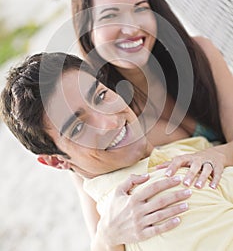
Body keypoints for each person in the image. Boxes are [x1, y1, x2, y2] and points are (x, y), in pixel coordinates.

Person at [1, 52, 233, 251]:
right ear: (56, 162)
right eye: (79, 127)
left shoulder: (146, 153)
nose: (110, 122)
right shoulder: (160, 203)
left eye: (100, 96)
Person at [71, 0, 233, 187]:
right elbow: (99, 218)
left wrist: (217, 155)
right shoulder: (94, 112)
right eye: (110, 16)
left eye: (140, 9)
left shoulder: (199, 55)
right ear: (87, 30)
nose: (131, 28)